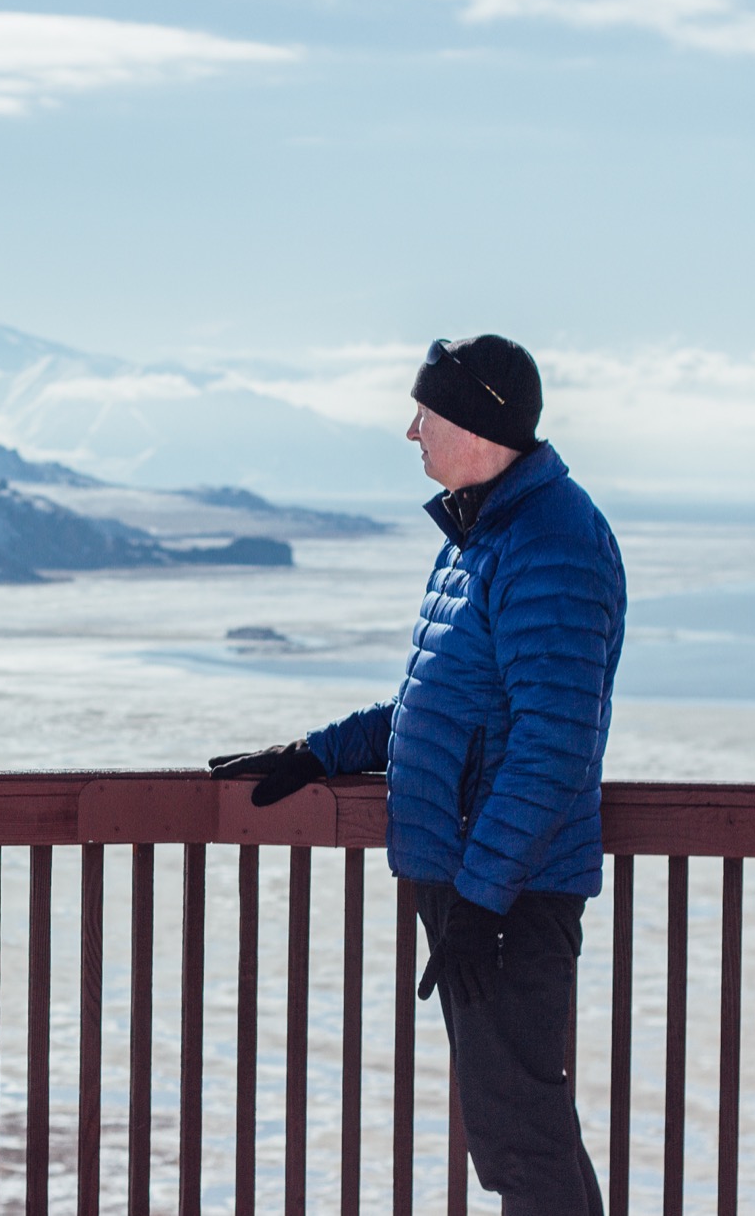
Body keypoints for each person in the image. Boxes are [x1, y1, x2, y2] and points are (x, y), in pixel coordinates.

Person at [211, 334, 623, 1216]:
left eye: (426, 412)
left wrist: (480, 904)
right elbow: (446, 705)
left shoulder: (552, 542)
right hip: (479, 881)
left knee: (523, 1138)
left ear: (477, 422)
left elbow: (552, 746)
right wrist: (318, 751)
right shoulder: (485, 532)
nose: (411, 430)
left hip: (507, 892)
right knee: (515, 1133)